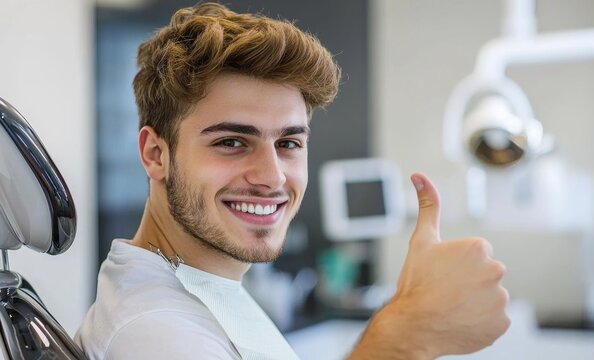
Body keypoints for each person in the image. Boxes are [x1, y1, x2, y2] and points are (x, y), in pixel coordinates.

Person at [75, 2, 510, 359]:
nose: (271, 177)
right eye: (231, 142)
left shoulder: (202, 285)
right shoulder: (155, 333)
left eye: (288, 143)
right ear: (156, 154)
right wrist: (411, 331)